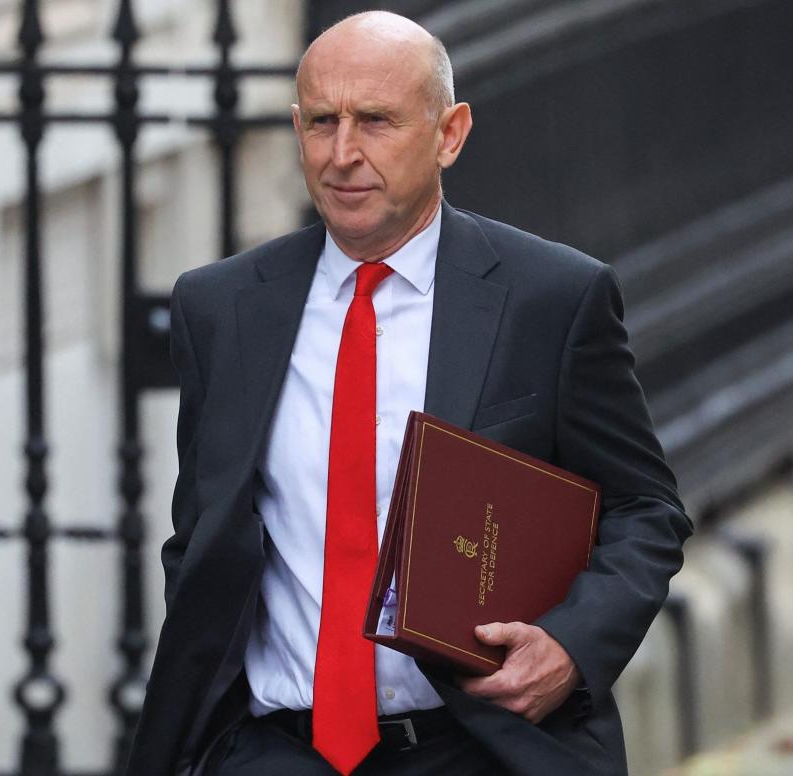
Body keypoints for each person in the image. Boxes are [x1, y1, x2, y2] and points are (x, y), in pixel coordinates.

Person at [126, 11, 691, 776]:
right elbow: (203, 531)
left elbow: (644, 508)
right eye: (321, 122)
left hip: (476, 746)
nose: (342, 154)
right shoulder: (222, 308)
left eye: (376, 121)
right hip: (274, 748)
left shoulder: (549, 298)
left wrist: (569, 645)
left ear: (448, 134)